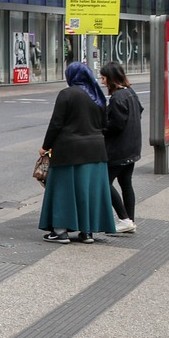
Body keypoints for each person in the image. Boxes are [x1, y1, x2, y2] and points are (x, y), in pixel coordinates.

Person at [39, 62, 115, 243]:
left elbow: (56, 123)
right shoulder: (98, 96)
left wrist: (46, 146)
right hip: (96, 150)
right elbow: (104, 124)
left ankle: (60, 231)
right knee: (88, 191)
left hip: (68, 150)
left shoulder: (67, 94)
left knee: (63, 190)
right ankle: (87, 232)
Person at [99, 61, 142, 234]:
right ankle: (129, 220)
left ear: (111, 78)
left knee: (104, 183)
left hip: (118, 149)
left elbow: (115, 125)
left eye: (103, 78)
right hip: (132, 147)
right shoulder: (131, 93)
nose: (102, 82)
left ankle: (124, 219)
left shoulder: (117, 98)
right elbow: (139, 111)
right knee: (126, 184)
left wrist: (100, 128)